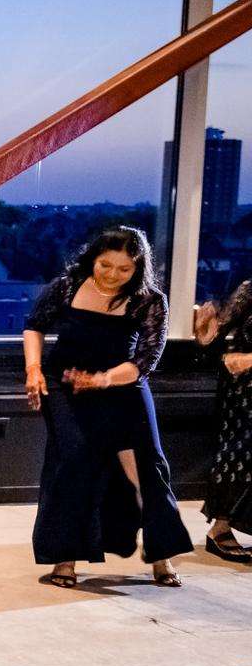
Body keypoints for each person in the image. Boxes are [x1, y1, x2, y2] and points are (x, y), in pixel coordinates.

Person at [24, 226, 190, 588]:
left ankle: (161, 554)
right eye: (105, 265)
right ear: (93, 258)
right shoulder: (68, 286)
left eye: (124, 269)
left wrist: (102, 380)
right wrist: (34, 369)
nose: (113, 274)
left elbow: (143, 362)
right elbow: (34, 326)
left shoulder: (150, 300)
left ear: (138, 269)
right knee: (75, 459)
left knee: (147, 465)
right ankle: (64, 559)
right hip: (66, 385)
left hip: (123, 385)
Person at [195, 285, 252, 563]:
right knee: (236, 455)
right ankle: (221, 527)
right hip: (243, 392)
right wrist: (206, 335)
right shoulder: (249, 289)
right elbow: (214, 344)